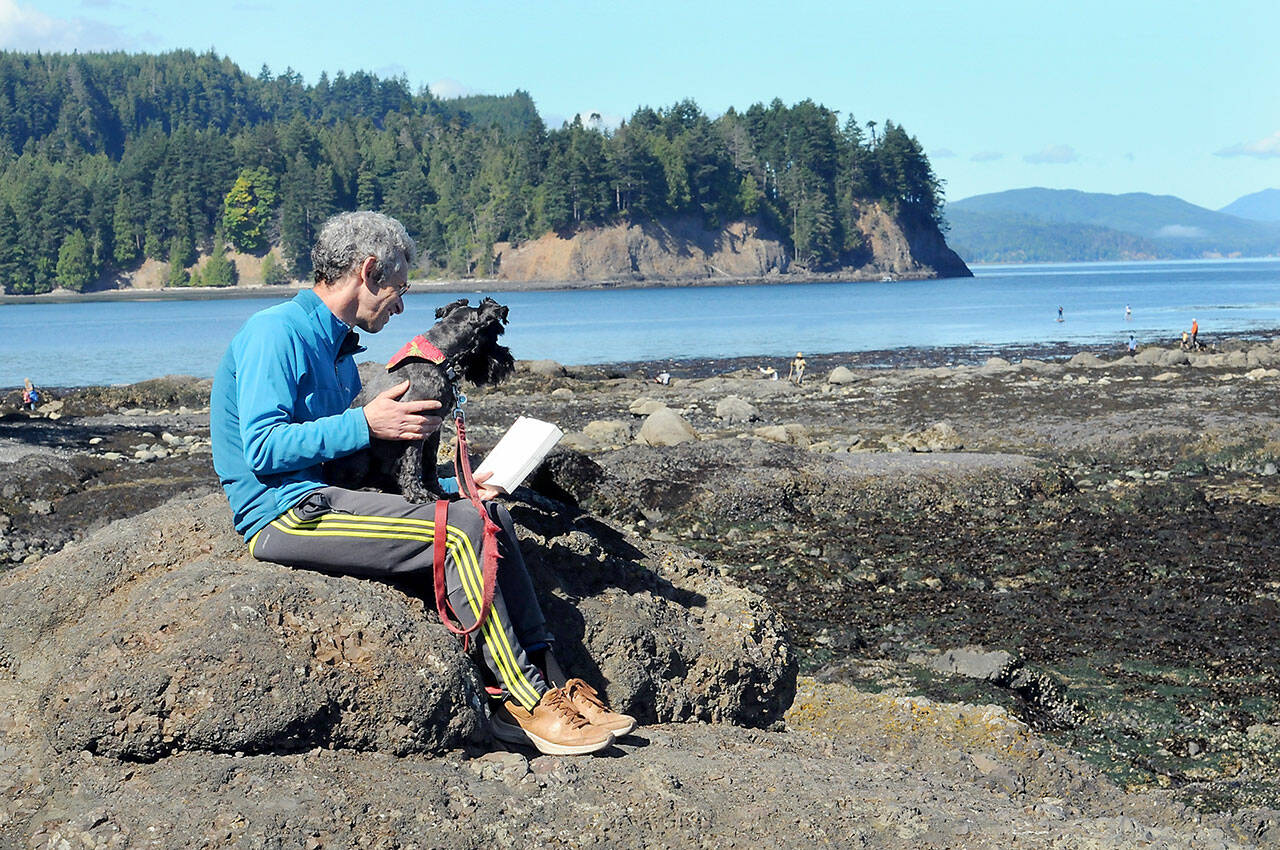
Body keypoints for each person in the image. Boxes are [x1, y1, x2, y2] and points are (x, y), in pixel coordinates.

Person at [210, 211, 633, 756]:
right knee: (459, 532)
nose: (403, 306)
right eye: (399, 288)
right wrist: (365, 422)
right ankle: (521, 700)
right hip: (285, 513)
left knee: (490, 516)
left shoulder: (337, 350)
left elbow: (359, 460)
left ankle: (552, 680)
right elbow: (263, 450)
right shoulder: (276, 333)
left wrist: (452, 479)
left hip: (333, 494)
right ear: (368, 271)